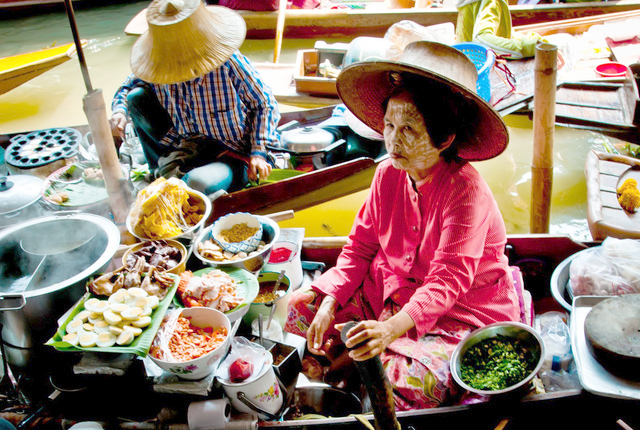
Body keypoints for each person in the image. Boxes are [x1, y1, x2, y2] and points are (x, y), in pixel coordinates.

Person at [284, 41, 524, 410]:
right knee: (301, 307)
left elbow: (447, 283)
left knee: (412, 383)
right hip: (389, 288)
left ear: (444, 138)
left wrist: (388, 330)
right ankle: (354, 362)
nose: (394, 139)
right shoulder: (386, 174)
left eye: (410, 128)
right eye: (390, 124)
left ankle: (354, 363)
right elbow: (360, 248)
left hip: (456, 309)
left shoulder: (466, 191)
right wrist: (331, 301)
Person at [110, 0, 280, 196]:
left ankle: (178, 183)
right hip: (189, 145)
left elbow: (265, 103)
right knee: (136, 98)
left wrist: (258, 152)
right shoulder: (158, 65)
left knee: (194, 185)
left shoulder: (228, 63)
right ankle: (157, 174)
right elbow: (127, 86)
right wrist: (119, 111)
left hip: (233, 153)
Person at [456, 0, 542, 59]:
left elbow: (500, 33)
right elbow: (481, 39)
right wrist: (527, 48)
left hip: (466, 67)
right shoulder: (490, 2)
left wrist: (532, 40)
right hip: (476, 73)